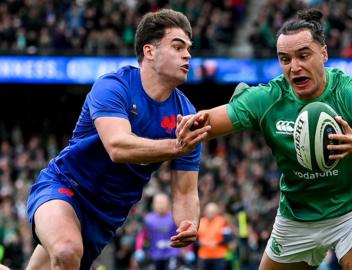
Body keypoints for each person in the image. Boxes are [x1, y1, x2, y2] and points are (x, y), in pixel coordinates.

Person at [194, 8, 352, 270]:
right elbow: (208, 121)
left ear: (324, 54)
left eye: (303, 55)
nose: (294, 67)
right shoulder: (269, 98)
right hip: (297, 217)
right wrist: (184, 123)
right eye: (284, 59)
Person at [25, 9, 210, 270]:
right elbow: (118, 146)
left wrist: (188, 221)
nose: (187, 55)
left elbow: (185, 190)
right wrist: (176, 146)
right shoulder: (113, 86)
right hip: (65, 186)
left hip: (105, 216)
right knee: (67, 250)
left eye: (189, 48)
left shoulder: (186, 115)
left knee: (64, 258)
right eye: (177, 46)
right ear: (149, 52)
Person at [134, 193, 181, 270]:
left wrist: (188, 250)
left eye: (163, 203)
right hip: (155, 254)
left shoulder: (174, 217)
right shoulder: (149, 219)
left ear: (168, 204)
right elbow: (142, 235)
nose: (161, 205)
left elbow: (182, 234)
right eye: (158, 203)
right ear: (153, 205)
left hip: (172, 253)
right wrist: (139, 249)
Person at [197, 202, 233, 270]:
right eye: (208, 212)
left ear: (216, 212)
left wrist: (217, 243)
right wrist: (200, 242)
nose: (210, 214)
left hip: (219, 256)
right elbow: (195, 240)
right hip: (204, 256)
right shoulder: (200, 222)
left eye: (212, 212)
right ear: (205, 212)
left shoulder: (223, 221)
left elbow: (228, 238)